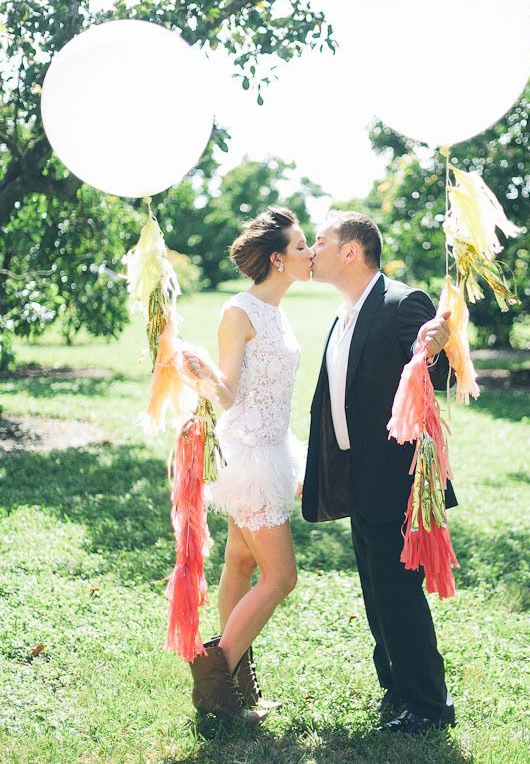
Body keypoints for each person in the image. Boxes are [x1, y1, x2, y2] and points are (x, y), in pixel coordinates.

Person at [303, 211, 457, 735]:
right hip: (357, 474)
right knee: (375, 589)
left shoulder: (401, 303)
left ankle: (430, 707)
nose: (312, 251)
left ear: (351, 251)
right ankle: (396, 688)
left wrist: (436, 349)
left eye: (319, 242)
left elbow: (441, 373)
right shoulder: (342, 315)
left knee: (397, 592)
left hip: (396, 478)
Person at [182, 206, 312, 722]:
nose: (310, 254)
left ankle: (237, 690)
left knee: (241, 563)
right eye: (302, 246)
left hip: (275, 447)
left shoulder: (276, 311)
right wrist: (197, 372)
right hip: (250, 457)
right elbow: (229, 393)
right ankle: (214, 682)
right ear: (278, 260)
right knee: (281, 578)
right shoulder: (239, 311)